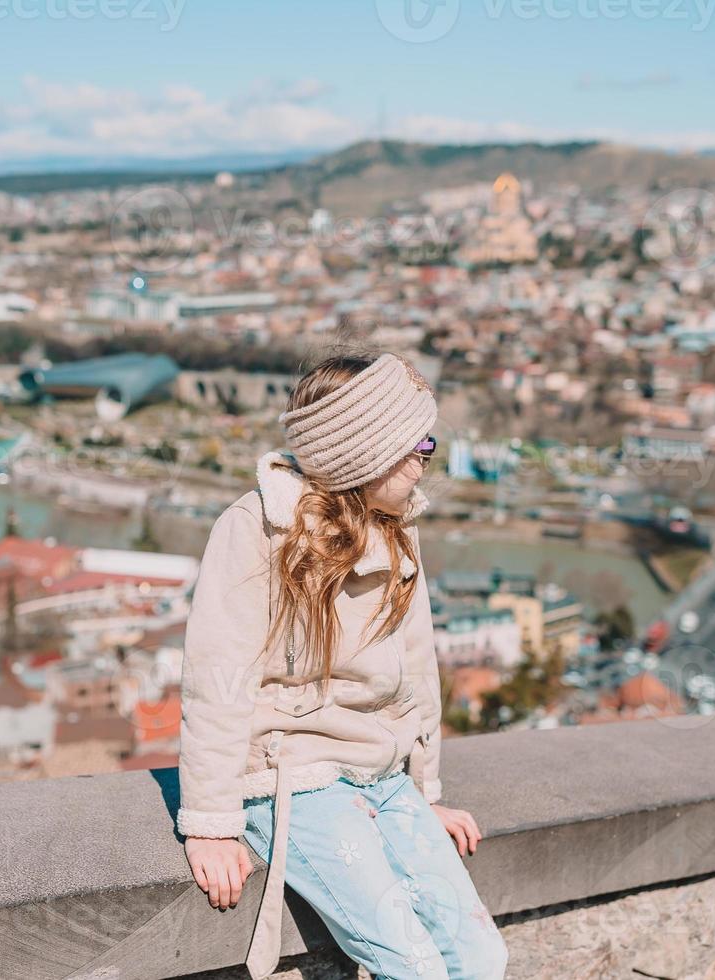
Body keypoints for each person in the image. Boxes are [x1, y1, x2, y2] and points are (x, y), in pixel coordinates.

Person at [177, 352, 509, 980]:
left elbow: (417, 677)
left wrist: (423, 790)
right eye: (415, 445)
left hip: (381, 776)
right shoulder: (255, 530)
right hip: (292, 780)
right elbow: (217, 680)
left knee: (483, 957)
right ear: (362, 453)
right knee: (414, 966)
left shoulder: (398, 531)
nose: (426, 458)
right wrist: (212, 824)